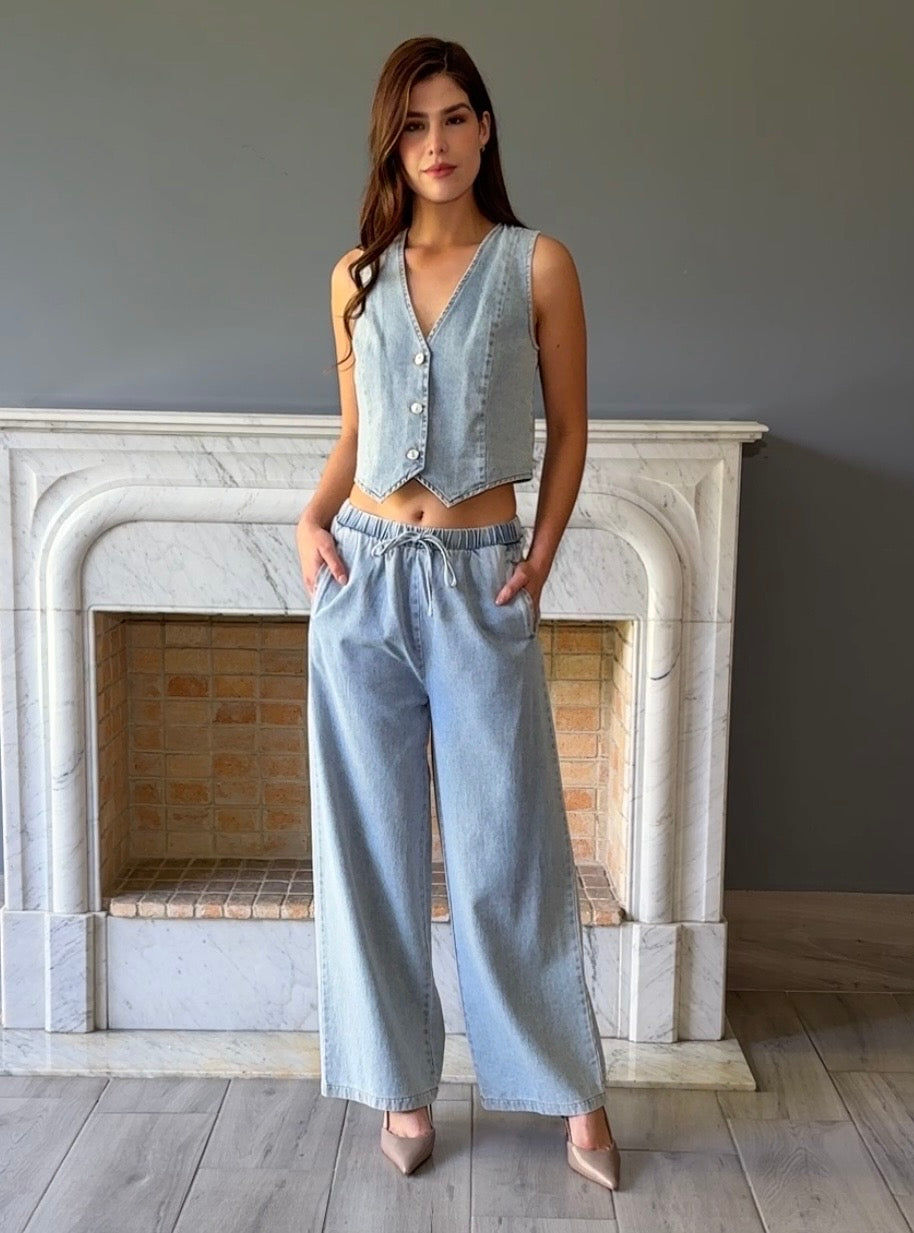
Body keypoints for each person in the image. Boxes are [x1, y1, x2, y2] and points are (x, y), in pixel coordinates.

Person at [295, 36, 620, 1191]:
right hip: (363, 581)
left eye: (452, 118)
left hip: (482, 577)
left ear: (484, 128)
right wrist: (311, 516)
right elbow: (355, 433)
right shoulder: (356, 274)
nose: (433, 143)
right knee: (371, 851)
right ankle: (401, 1084)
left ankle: (570, 1089)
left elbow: (570, 428)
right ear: (391, 144)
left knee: (507, 849)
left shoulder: (538, 265)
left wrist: (543, 550)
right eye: (412, 124)